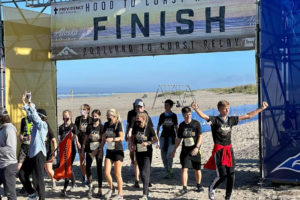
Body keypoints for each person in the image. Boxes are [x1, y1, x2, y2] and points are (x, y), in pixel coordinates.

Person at [191, 100, 269, 200]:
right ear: (219, 109)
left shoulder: (231, 120)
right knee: (222, 175)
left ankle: (228, 197)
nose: (227, 110)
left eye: (228, 108)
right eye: (224, 108)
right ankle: (212, 187)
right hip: (219, 150)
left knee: (231, 175)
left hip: (229, 150)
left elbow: (248, 116)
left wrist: (261, 108)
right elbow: (204, 116)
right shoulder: (215, 120)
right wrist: (196, 108)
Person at [19, 93, 48, 200]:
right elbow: (31, 115)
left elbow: (35, 117)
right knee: (22, 173)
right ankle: (31, 194)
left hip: (39, 154)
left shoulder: (43, 125)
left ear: (41, 117)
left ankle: (42, 198)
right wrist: (24, 103)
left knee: (39, 179)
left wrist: (30, 102)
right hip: (32, 154)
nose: (32, 116)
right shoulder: (36, 124)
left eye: (37, 115)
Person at [171, 106, 204, 196]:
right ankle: (184, 188)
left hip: (195, 150)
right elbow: (179, 138)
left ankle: (199, 185)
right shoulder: (181, 125)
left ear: (191, 114)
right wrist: (174, 150)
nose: (187, 116)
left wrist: (197, 147)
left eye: (189, 114)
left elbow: (200, 136)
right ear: (183, 115)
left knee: (197, 169)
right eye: (185, 115)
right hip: (185, 151)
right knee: (184, 169)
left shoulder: (196, 123)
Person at [126, 99, 154, 188]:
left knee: (147, 163)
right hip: (136, 141)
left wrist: (151, 141)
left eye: (140, 107)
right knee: (136, 161)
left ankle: (147, 180)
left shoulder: (146, 115)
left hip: (146, 142)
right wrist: (129, 138)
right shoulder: (131, 114)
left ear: (143, 107)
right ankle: (137, 180)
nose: (138, 108)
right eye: (137, 106)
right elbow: (129, 126)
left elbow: (151, 127)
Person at [131, 112, 158, 200]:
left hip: (147, 153)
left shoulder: (149, 128)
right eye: (136, 119)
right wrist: (132, 144)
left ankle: (144, 195)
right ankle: (147, 191)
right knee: (142, 172)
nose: (137, 121)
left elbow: (155, 139)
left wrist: (148, 143)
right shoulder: (135, 126)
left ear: (144, 119)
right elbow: (133, 136)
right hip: (138, 151)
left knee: (144, 173)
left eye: (139, 119)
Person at [100, 109, 124, 200]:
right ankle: (112, 188)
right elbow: (103, 137)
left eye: (109, 115)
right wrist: (101, 148)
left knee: (117, 174)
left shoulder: (118, 124)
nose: (108, 117)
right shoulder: (106, 125)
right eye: (107, 115)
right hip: (109, 151)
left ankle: (120, 194)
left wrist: (112, 139)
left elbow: (121, 138)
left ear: (114, 116)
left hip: (118, 151)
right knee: (106, 173)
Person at [81, 109, 104, 199]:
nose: (94, 118)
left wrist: (99, 150)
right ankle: (90, 185)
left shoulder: (102, 127)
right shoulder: (89, 126)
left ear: (99, 116)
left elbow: (103, 140)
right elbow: (86, 138)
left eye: (96, 116)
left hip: (98, 150)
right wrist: (83, 147)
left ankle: (100, 189)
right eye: (93, 116)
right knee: (88, 167)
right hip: (89, 149)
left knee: (99, 169)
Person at [59, 110, 81, 197]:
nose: (65, 119)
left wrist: (77, 143)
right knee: (68, 168)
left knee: (68, 168)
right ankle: (73, 183)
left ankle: (65, 189)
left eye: (67, 117)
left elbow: (76, 137)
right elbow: (61, 139)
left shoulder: (73, 126)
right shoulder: (61, 127)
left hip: (71, 151)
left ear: (70, 117)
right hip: (64, 151)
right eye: (64, 117)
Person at [156, 99, 178, 178]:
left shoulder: (174, 115)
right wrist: (157, 136)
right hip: (163, 137)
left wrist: (178, 136)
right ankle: (166, 170)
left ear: (171, 106)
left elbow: (176, 126)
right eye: (165, 105)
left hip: (172, 137)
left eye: (167, 105)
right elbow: (158, 126)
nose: (166, 106)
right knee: (163, 154)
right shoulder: (162, 115)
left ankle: (170, 168)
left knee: (169, 154)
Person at [0, 107, 18, 200]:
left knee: (10, 195)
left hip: (8, 166)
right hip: (2, 165)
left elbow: (10, 149)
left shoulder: (9, 129)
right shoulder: (3, 128)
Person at [75, 104, 92, 185]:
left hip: (88, 143)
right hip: (80, 141)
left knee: (88, 161)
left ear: (88, 110)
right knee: (82, 160)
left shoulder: (91, 119)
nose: (82, 111)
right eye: (81, 109)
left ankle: (89, 176)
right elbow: (76, 132)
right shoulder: (78, 119)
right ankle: (84, 175)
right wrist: (77, 141)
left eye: (84, 109)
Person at [44, 122, 57, 189]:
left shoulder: (48, 130)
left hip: (48, 152)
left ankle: (53, 181)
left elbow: (54, 141)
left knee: (49, 169)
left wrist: (55, 151)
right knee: (45, 169)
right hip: (40, 153)